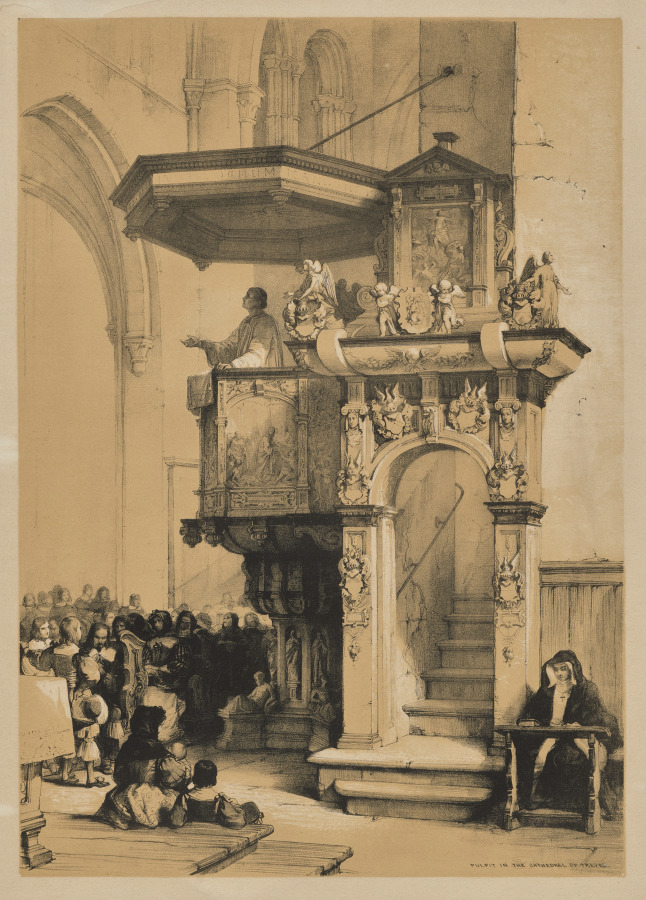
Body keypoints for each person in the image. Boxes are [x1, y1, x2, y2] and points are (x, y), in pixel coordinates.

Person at [516, 649, 622, 816]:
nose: (559, 673)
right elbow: (532, 714)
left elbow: (597, 715)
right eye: (556, 669)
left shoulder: (586, 689)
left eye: (563, 669)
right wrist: (546, 723)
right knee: (538, 758)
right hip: (552, 735)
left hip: (578, 737)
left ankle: (590, 805)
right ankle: (531, 800)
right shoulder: (546, 691)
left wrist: (579, 724)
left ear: (572, 669)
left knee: (582, 760)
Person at [97, 706, 179, 830]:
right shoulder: (158, 748)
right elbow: (168, 777)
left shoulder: (127, 746)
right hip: (151, 795)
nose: (161, 727)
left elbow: (118, 776)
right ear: (150, 726)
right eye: (159, 724)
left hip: (128, 793)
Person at [183, 287, 284, 370]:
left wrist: (234, 365)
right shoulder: (246, 321)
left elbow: (257, 355)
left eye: (248, 296)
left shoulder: (265, 322)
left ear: (257, 302)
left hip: (263, 376)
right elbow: (229, 346)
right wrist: (201, 343)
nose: (243, 298)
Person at [180, 759, 263, 828]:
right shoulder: (217, 798)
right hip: (215, 825)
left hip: (197, 822)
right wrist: (235, 805)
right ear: (213, 778)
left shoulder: (186, 795)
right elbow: (234, 819)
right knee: (251, 806)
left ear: (196, 776)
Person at [71, 687, 110, 788]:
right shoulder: (93, 724)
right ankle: (90, 779)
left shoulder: (81, 697)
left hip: (84, 730)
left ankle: (66, 775)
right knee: (90, 756)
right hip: (89, 737)